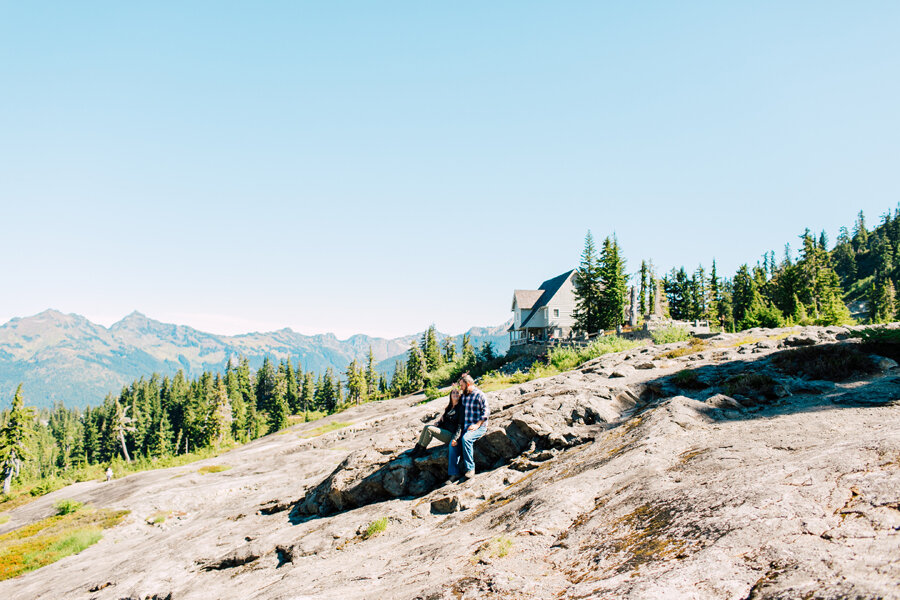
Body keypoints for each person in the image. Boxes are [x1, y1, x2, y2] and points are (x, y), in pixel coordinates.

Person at [448, 373, 488, 481]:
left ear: (468, 384)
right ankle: (453, 473)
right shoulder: (464, 396)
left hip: (479, 427)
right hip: (465, 427)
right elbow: (455, 404)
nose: (460, 388)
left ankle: (470, 469)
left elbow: (486, 412)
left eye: (462, 385)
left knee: (466, 439)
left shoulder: (480, 395)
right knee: (453, 444)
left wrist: (477, 425)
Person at [410, 389, 462, 458]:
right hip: (445, 430)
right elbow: (444, 421)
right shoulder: (449, 408)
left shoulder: (460, 408)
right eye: (453, 393)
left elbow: (460, 426)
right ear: (450, 396)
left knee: (429, 429)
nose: (455, 394)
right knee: (426, 427)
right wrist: (438, 423)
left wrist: (455, 439)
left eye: (457, 393)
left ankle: (421, 451)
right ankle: (416, 449)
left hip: (451, 435)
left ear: (459, 396)